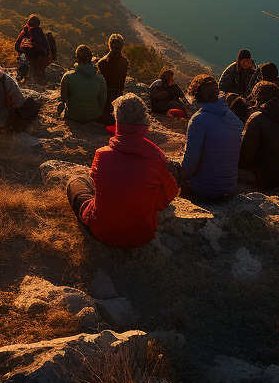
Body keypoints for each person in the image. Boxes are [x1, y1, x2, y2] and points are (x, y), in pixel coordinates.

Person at [67, 94, 180, 248]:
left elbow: (97, 182)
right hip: (141, 237)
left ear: (117, 121)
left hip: (101, 231)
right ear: (145, 121)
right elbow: (167, 198)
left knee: (76, 182)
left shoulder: (101, 154)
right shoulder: (156, 159)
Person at [179, 74, 244, 200]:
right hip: (229, 186)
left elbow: (189, 166)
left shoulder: (198, 120)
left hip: (203, 188)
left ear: (196, 96)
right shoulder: (234, 119)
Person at [59, 45, 108, 123]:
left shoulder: (68, 76)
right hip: (94, 115)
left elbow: (63, 98)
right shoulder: (100, 78)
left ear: (77, 58)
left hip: (73, 115)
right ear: (91, 58)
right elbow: (102, 100)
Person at [14, 14, 52, 84]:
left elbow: (16, 46)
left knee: (23, 59)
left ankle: (22, 77)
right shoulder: (37, 33)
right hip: (33, 58)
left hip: (29, 57)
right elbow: (46, 50)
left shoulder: (26, 32)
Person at [97, 33, 129, 109]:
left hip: (104, 97)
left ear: (110, 45)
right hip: (118, 96)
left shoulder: (101, 62)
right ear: (121, 46)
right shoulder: (125, 62)